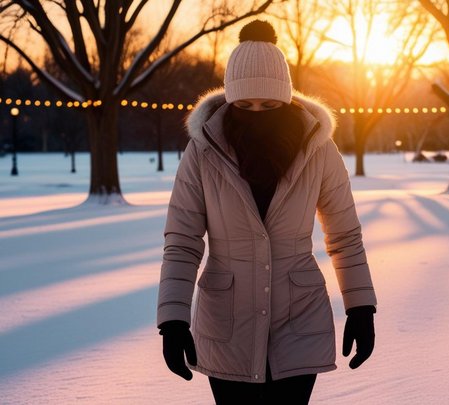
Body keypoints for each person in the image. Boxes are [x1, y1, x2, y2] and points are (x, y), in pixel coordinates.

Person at [156, 20, 377, 405]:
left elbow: (344, 236)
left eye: (269, 105)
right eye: (245, 105)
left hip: (300, 319)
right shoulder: (203, 152)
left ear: (286, 100)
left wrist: (360, 306)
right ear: (230, 101)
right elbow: (182, 241)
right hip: (228, 324)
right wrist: (172, 319)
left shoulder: (318, 150)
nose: (257, 112)